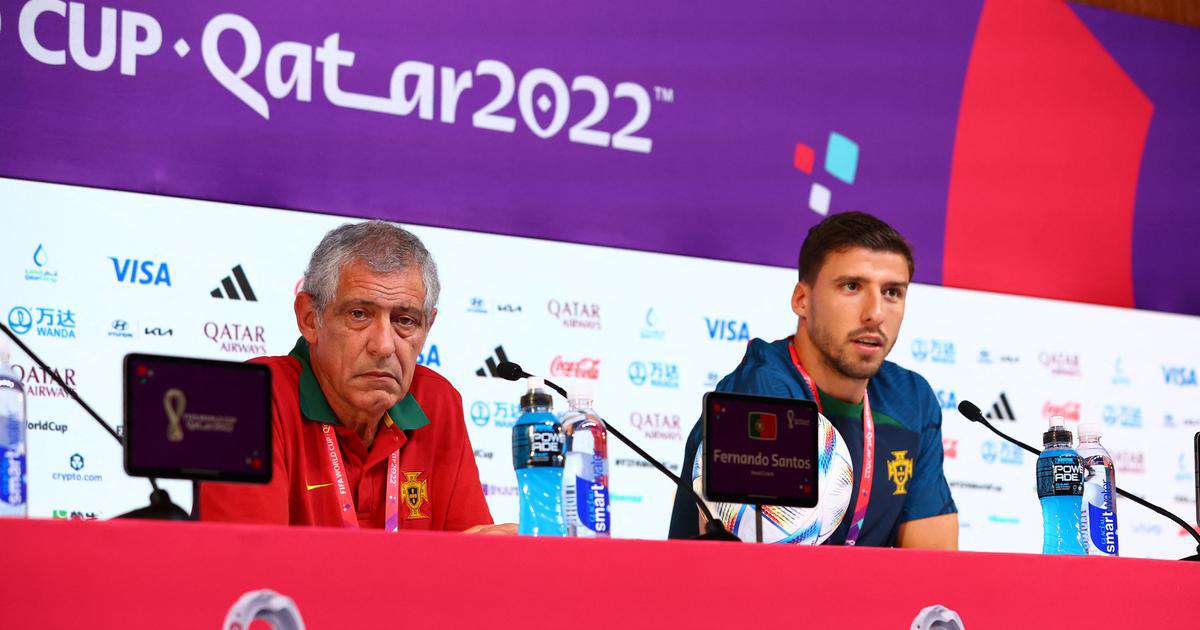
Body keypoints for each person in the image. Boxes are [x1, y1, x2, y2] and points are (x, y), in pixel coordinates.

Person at [201, 221, 513, 534]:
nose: (384, 346)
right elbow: (249, 558)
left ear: (427, 328)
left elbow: (471, 551)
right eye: (359, 314)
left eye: (405, 320)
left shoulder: (437, 401)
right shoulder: (249, 396)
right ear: (309, 318)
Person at [668, 212, 958, 548]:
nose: (875, 313)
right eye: (852, 287)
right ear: (802, 300)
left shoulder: (911, 399)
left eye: (892, 292)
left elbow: (935, 564)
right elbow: (752, 567)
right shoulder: (761, 392)